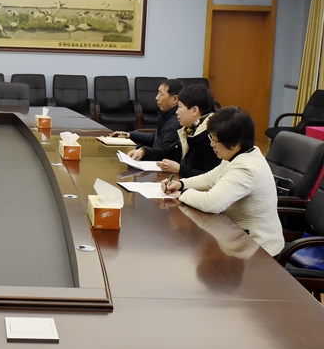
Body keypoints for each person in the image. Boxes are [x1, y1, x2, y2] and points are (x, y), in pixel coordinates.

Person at [163, 106, 283, 256]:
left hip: (258, 250)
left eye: (215, 141)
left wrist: (182, 194)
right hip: (237, 238)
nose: (212, 145)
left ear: (236, 144)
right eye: (211, 138)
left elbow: (211, 203)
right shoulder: (241, 154)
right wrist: (181, 184)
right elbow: (209, 179)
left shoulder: (245, 169)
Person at [154, 84, 221, 177]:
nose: (177, 112)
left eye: (180, 107)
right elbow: (169, 153)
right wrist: (143, 152)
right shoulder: (190, 130)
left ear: (194, 110)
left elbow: (211, 178)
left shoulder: (212, 136)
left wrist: (180, 169)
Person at [113, 78, 183, 162]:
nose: (157, 98)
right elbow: (155, 139)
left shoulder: (177, 121)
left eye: (161, 94)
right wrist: (129, 135)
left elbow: (165, 154)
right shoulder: (167, 116)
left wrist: (144, 152)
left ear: (174, 99)